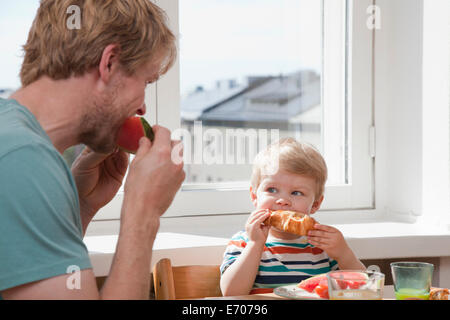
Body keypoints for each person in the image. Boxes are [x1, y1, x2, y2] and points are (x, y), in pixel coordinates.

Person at [0, 0, 185, 299]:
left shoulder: (13, 139)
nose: (142, 106)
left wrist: (80, 207)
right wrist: (143, 211)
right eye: (146, 81)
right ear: (109, 63)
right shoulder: (23, 159)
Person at [220, 138, 365, 295]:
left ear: (315, 204)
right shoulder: (243, 242)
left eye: (297, 193)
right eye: (272, 189)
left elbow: (364, 287)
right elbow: (231, 293)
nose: (283, 201)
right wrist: (255, 244)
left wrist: (343, 253)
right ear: (254, 196)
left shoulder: (323, 246)